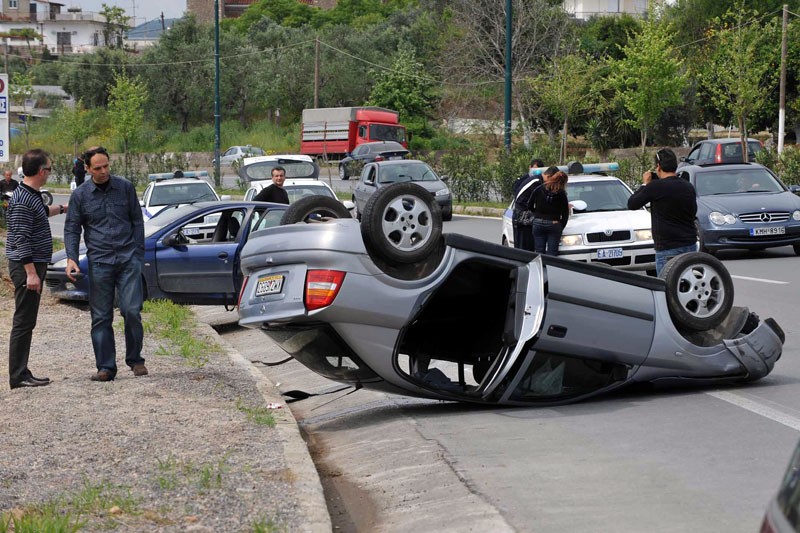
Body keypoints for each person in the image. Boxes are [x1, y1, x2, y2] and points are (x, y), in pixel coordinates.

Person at [64, 146, 148, 382]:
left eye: (106, 166)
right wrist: (71, 257)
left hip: (128, 258)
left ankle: (136, 359)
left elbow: (137, 222)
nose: (103, 171)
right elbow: (71, 228)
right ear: (88, 169)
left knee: (131, 310)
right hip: (99, 261)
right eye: (98, 168)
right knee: (101, 316)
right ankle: (106, 367)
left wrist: (138, 254)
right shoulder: (80, 195)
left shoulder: (125, 188)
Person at [6, 149, 69, 389]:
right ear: (42, 171)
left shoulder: (30, 195)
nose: (50, 173)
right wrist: (31, 273)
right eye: (50, 168)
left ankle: (22, 371)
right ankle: (18, 375)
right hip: (27, 268)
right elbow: (20, 239)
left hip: (33, 265)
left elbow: (41, 213)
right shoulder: (23, 199)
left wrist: (63, 209)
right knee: (24, 321)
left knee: (27, 320)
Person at [627, 148, 697, 276]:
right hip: (690, 245)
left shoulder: (655, 187)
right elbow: (693, 212)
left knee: (667, 286)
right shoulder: (688, 187)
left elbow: (632, 203)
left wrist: (645, 184)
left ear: (658, 166)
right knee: (686, 283)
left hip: (667, 248)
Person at [528, 168, 570, 256]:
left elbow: (529, 204)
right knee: (552, 253)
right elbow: (565, 213)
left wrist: (537, 214)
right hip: (553, 223)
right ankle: (550, 268)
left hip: (538, 223)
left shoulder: (539, 188)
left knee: (539, 252)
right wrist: (560, 226)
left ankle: (540, 269)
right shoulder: (561, 194)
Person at [511, 158, 545, 251]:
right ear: (530, 168)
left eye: (538, 170)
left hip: (530, 217)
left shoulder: (542, 182)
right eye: (534, 170)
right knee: (522, 247)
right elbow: (518, 195)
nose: (536, 173)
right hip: (522, 215)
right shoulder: (529, 181)